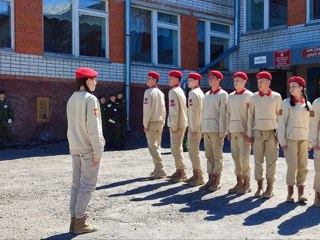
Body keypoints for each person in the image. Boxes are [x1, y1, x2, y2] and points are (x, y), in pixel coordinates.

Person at [66, 67, 105, 234]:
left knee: (76, 184)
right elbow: (94, 129)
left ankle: (74, 220)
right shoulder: (91, 99)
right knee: (87, 185)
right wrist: (98, 151)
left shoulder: (72, 99)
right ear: (87, 81)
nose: (96, 82)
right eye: (94, 79)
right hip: (87, 148)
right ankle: (80, 222)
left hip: (74, 147)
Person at [246, 71, 282, 199]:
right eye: (258, 81)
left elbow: (280, 117)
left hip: (272, 133)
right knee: (258, 161)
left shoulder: (277, 97)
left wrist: (280, 134)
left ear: (269, 82)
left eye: (262, 81)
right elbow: (250, 117)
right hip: (258, 133)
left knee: (271, 161)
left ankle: (269, 187)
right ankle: (259, 187)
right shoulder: (253, 97)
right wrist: (249, 133)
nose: (259, 84)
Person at [278, 76, 310, 203]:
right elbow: (281, 123)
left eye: (294, 86)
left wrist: (310, 141)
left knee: (303, 167)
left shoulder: (308, 104)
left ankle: (301, 194)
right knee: (292, 166)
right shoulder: (285, 103)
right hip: (290, 140)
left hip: (304, 140)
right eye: (290, 87)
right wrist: (283, 142)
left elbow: (310, 124)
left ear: (301, 88)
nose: (291, 89)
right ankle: (290, 194)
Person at [200, 70, 228, 192]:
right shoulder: (206, 95)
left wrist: (223, 131)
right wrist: (202, 128)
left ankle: (217, 180)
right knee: (208, 155)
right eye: (209, 78)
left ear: (219, 80)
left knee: (217, 156)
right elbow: (203, 112)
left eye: (213, 78)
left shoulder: (222, 94)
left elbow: (224, 114)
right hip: (207, 128)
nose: (210, 80)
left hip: (216, 129)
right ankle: (210, 178)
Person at [226, 72, 252, 194]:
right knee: (236, 158)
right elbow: (228, 114)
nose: (236, 82)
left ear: (244, 82)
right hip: (234, 131)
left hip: (244, 133)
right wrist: (228, 130)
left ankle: (247, 184)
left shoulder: (249, 96)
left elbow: (251, 116)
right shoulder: (230, 96)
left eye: (239, 80)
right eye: (235, 80)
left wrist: (249, 131)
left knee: (244, 158)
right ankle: (239, 182)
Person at [143, 71, 167, 179]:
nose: (147, 80)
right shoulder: (161, 93)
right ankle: (157, 169)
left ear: (154, 80)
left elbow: (147, 110)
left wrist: (145, 124)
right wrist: (163, 121)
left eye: (149, 78)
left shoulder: (148, 92)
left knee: (153, 147)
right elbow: (164, 109)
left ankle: (160, 169)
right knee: (157, 146)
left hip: (151, 122)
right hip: (160, 122)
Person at [167, 70, 188, 183]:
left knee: (176, 148)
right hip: (181, 123)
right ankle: (178, 170)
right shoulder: (180, 90)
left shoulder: (173, 91)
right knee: (177, 148)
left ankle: (182, 171)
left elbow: (174, 110)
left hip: (177, 124)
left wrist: (173, 125)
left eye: (171, 78)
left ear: (176, 79)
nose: (169, 80)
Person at [185, 72, 205, 186]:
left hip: (194, 126)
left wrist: (193, 128)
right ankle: (195, 175)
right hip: (198, 125)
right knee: (194, 151)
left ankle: (199, 176)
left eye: (190, 80)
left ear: (197, 81)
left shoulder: (193, 93)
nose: (188, 82)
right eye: (188, 80)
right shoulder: (200, 92)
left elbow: (194, 112)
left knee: (193, 151)